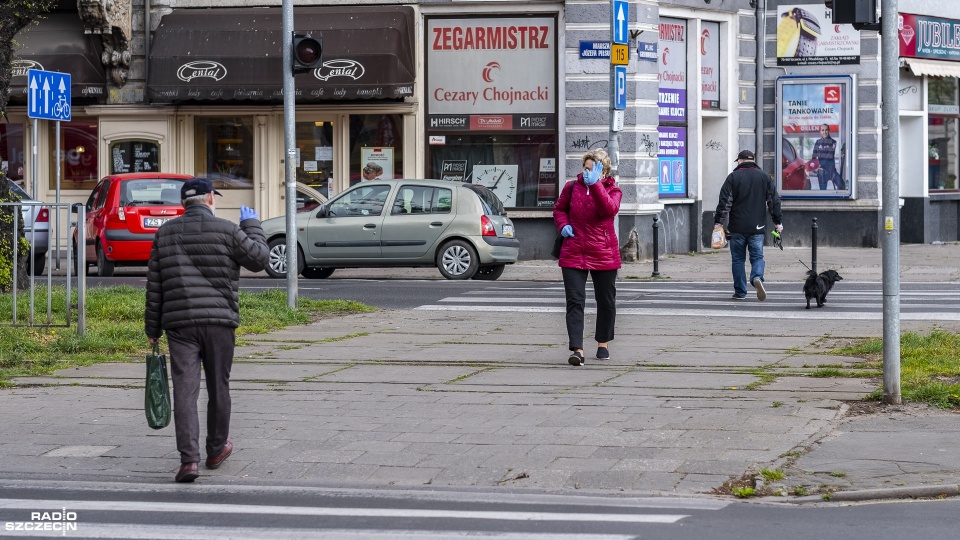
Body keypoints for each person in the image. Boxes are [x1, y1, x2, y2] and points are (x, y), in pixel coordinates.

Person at [144, 177, 269, 483]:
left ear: (183, 203)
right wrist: (252, 225)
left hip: (179, 324)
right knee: (218, 386)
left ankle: (189, 461)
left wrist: (152, 328)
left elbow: (155, 285)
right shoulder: (228, 229)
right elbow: (260, 259)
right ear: (210, 198)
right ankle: (216, 449)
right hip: (219, 322)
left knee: (185, 391)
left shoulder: (165, 233)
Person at [553, 150, 622, 366]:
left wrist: (596, 186)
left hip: (604, 252)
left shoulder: (613, 190)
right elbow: (559, 209)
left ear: (604, 172)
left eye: (592, 169)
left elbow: (610, 210)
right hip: (574, 250)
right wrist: (563, 226)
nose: (587, 172)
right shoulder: (572, 187)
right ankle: (577, 350)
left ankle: (603, 342)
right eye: (586, 168)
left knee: (606, 301)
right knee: (575, 301)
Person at [715, 150, 783, 301]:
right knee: (757, 256)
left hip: (737, 227)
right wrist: (777, 222)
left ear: (739, 161)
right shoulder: (764, 177)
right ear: (753, 161)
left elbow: (725, 203)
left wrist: (718, 223)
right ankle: (757, 277)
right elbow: (774, 202)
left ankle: (740, 292)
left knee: (738, 259)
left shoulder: (733, 177)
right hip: (757, 227)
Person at [812, 124, 842, 190]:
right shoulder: (817, 142)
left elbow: (829, 155)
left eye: (826, 130)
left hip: (832, 171)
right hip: (821, 172)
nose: (824, 132)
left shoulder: (833, 142)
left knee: (841, 185)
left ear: (829, 131)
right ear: (820, 132)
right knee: (823, 191)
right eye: (822, 130)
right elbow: (814, 157)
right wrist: (815, 168)